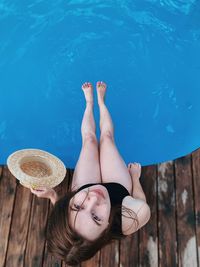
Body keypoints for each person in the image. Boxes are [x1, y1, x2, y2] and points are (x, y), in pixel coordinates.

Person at [30, 81, 151, 265]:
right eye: (96, 217)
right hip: (119, 192)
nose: (93, 198)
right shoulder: (131, 218)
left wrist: (53, 195)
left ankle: (91, 103)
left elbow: (62, 210)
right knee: (107, 138)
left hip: (82, 186)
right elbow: (141, 201)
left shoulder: (75, 210)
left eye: (77, 207)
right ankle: (102, 101)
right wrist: (135, 178)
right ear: (105, 231)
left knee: (89, 140)